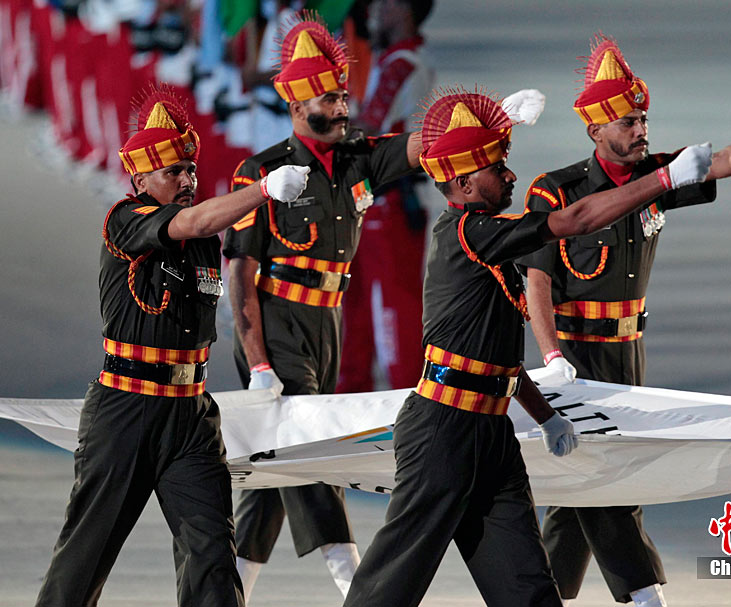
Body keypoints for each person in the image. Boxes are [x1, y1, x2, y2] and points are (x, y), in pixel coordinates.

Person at [342, 86, 714, 607]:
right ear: (465, 184)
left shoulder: (490, 242)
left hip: (492, 435)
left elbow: (497, 359)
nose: (512, 176)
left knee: (529, 591)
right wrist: (662, 180)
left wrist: (546, 417)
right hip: (442, 433)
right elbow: (575, 221)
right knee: (391, 585)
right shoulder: (469, 233)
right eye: (498, 168)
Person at [519, 34, 731, 607]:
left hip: (628, 351)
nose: (641, 130)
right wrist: (552, 355)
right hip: (576, 353)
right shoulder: (556, 191)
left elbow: (721, 161)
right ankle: (644, 594)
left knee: (582, 481)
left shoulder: (655, 177)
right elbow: (536, 279)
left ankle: (542, 595)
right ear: (595, 131)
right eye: (628, 123)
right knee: (611, 472)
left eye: (643, 119)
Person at [34, 87, 309, 607]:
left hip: (191, 417)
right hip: (126, 412)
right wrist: (264, 189)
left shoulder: (205, 237)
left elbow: (205, 226)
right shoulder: (126, 219)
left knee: (213, 557)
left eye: (191, 170)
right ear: (140, 180)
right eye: (173, 172)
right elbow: (194, 221)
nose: (187, 181)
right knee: (85, 558)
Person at [221, 13, 424, 602]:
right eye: (329, 99)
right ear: (296, 104)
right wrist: (259, 363)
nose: (342, 108)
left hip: (327, 323)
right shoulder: (260, 173)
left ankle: (225, 593)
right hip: (277, 324)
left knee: (275, 468)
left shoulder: (359, 158)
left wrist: (482, 124)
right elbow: (240, 273)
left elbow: (417, 149)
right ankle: (358, 587)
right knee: (312, 450)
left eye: (342, 96)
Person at [337, 0, 436, 393]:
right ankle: (350, 397)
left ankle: (405, 397)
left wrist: (317, 114)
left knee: (392, 308)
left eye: (384, 3)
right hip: (373, 200)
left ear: (404, 10)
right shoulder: (390, 60)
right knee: (356, 303)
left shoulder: (403, 64)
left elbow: (365, 127)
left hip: (393, 204)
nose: (374, 11)